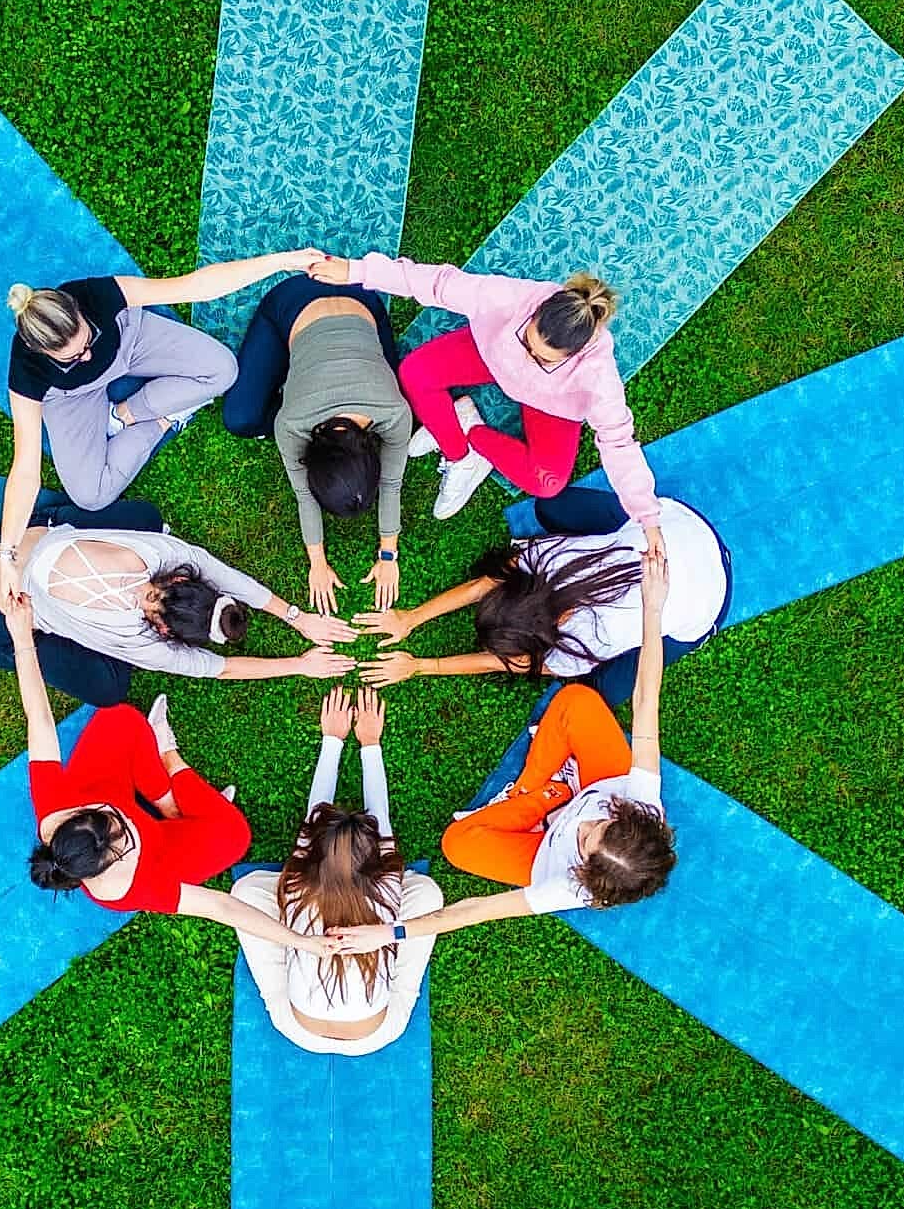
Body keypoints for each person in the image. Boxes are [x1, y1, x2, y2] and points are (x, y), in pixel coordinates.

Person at [334, 552, 677, 960]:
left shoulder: (565, 887)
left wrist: (389, 933)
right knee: (577, 701)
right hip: (599, 781)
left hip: (542, 848)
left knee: (458, 845)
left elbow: (476, 911)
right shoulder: (640, 800)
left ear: (585, 870)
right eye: (601, 823)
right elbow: (646, 699)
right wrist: (653, 609)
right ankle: (536, 789)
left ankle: (547, 796)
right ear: (628, 817)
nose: (584, 825)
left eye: (585, 840)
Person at [5, 597, 345, 955]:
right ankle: (168, 762)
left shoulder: (54, 803)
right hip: (160, 849)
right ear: (112, 862)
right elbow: (221, 907)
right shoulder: (132, 889)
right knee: (235, 837)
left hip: (103, 782)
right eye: (126, 838)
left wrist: (22, 638)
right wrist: (301, 941)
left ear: (77, 815)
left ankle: (167, 796)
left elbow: (39, 718)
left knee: (120, 718)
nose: (129, 822)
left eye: (110, 816)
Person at [294, 252, 665, 542]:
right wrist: (357, 271)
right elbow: (439, 283)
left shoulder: (597, 374)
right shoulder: (514, 298)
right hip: (490, 358)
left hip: (548, 403)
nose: (530, 358)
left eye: (544, 359)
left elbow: (619, 443)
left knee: (547, 483)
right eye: (528, 342)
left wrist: (647, 517)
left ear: (576, 354)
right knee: (414, 372)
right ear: (536, 312)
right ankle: (458, 455)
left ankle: (473, 434)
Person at [0, 249, 322, 565]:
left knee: (223, 370)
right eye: (74, 357)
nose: (88, 356)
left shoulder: (93, 295)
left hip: (129, 345)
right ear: (41, 352)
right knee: (90, 496)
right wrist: (8, 554)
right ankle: (163, 420)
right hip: (74, 396)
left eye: (88, 340)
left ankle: (125, 414)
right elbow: (25, 469)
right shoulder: (27, 371)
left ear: (78, 310)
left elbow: (196, 285)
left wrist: (282, 261)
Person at [357, 486, 730, 708]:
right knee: (550, 506)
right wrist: (410, 617)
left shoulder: (589, 642)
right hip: (678, 526)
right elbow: (482, 585)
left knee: (597, 693)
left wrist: (421, 666)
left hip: (710, 598)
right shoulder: (554, 560)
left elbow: (509, 664)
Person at [0, 498, 353, 706]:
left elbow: (219, 573)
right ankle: (21, 639)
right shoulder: (139, 641)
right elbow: (218, 669)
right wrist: (299, 665)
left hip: (18, 533)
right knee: (110, 689)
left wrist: (296, 616)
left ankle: (62, 520)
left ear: (181, 580)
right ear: (166, 632)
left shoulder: (160, 552)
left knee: (146, 516)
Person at [231, 687, 445, 1055]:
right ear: (375, 861)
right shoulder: (386, 888)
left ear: (312, 856)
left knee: (246, 893)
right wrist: (370, 744)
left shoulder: (296, 885)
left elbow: (314, 814)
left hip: (295, 1027)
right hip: (378, 1033)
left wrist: (332, 740)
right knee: (427, 894)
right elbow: (380, 815)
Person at [219, 267, 415, 614]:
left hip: (360, 297)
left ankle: (294, 376)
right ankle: (294, 376)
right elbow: (305, 496)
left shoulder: (397, 413)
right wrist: (317, 563)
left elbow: (391, 483)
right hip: (294, 303)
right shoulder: (292, 424)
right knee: (240, 418)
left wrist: (389, 555)